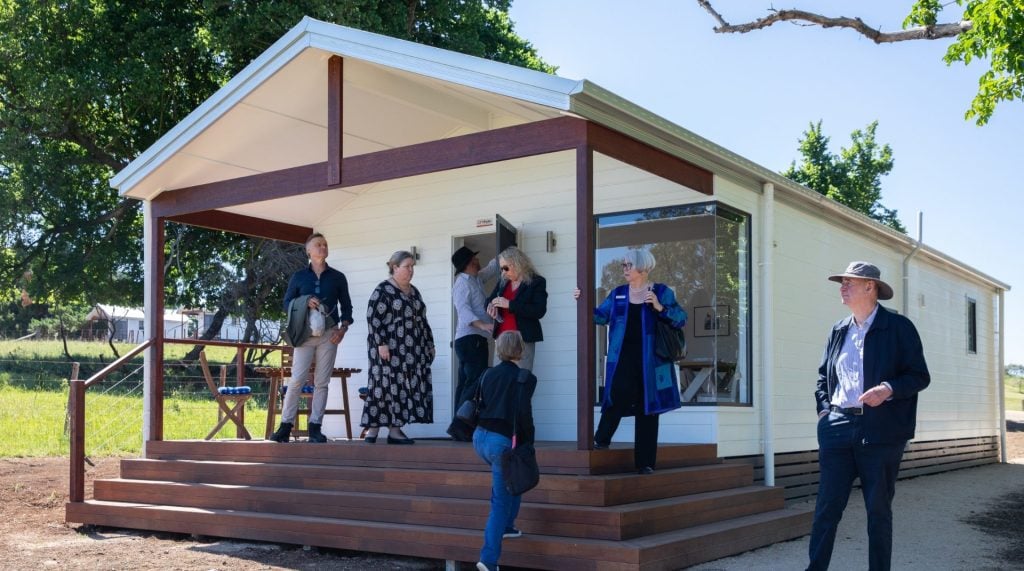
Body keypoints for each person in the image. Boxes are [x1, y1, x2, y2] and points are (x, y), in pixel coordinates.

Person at [807, 261, 930, 571]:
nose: (842, 287)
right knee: (826, 509)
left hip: (882, 432)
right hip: (836, 428)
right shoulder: (838, 329)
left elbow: (919, 375)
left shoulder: (899, 327)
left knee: (878, 511)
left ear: (870, 287)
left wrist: (888, 389)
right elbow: (823, 377)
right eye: (842, 282)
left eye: (849, 282)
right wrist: (824, 411)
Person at [573, 250, 686, 474]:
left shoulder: (660, 292)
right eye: (623, 265)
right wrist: (583, 301)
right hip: (622, 358)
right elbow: (599, 316)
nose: (624, 268)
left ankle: (645, 463)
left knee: (648, 408)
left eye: (628, 265)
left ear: (642, 268)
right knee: (616, 395)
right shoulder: (618, 294)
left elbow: (681, 318)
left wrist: (660, 308)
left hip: (651, 362)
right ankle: (602, 439)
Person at [270, 233, 353, 443]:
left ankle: (315, 427)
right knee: (296, 379)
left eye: (325, 244)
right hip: (304, 333)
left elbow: (347, 307)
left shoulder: (338, 277)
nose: (322, 247)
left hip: (329, 334)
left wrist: (342, 330)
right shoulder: (299, 276)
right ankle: (285, 427)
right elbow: (287, 303)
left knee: (322, 382)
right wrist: (304, 302)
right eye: (318, 245)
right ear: (308, 250)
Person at [472, 330, 537, 571]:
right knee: (500, 501)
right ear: (520, 350)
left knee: (512, 476)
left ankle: (508, 526)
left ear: (499, 350)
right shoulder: (525, 378)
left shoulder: (487, 374)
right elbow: (524, 415)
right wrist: (529, 443)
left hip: (479, 439)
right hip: (500, 443)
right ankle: (488, 561)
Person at [360, 250, 435, 445]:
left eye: (412, 267)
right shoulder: (383, 290)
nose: (411, 270)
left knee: (403, 388)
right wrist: (381, 343)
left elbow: (422, 320)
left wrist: (430, 344)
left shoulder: (414, 291)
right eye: (407, 266)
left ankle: (395, 431)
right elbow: (373, 318)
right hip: (387, 349)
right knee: (381, 387)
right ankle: (373, 430)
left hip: (411, 351)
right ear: (394, 267)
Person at [448, 246, 498, 441]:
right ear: (468, 264)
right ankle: (458, 426)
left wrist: (503, 251)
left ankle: (458, 427)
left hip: (472, 340)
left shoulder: (475, 279)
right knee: (474, 382)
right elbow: (463, 310)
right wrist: (484, 325)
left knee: (465, 384)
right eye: (475, 260)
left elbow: (491, 269)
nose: (478, 262)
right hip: (470, 339)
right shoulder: (461, 284)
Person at [485, 246, 547, 371]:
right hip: (501, 337)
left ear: (517, 263)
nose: (503, 272)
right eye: (501, 268)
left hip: (522, 338)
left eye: (506, 268)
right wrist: (490, 306)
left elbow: (539, 310)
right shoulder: (503, 281)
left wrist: (510, 304)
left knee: (521, 379)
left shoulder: (536, 281)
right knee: (499, 379)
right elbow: (488, 300)